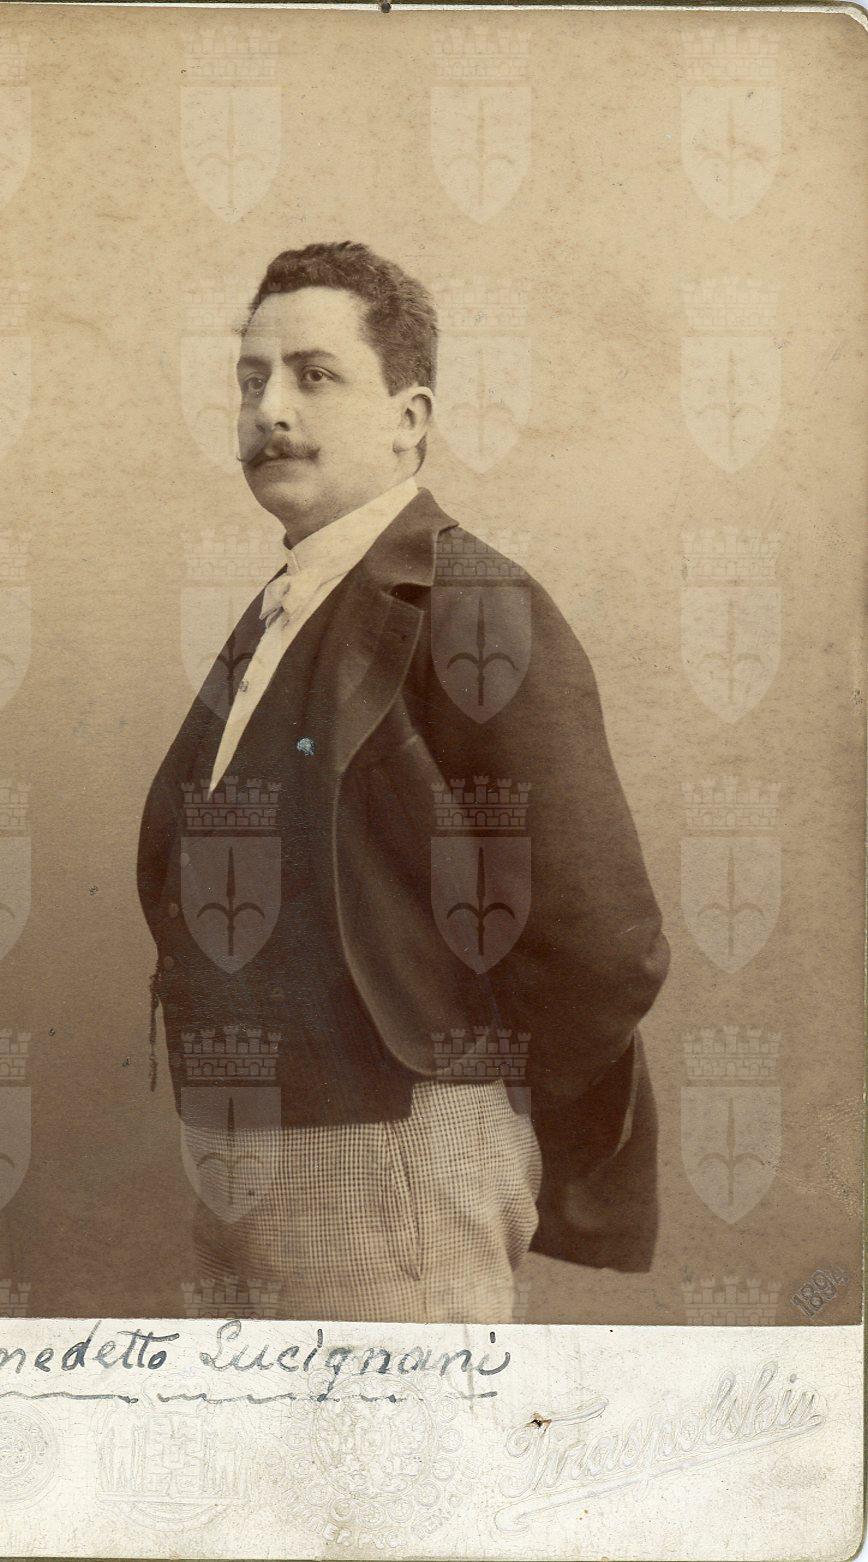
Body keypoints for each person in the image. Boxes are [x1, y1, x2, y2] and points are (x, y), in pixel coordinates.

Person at [137, 240, 670, 1323]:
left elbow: (605, 944)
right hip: (240, 1153)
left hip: (392, 1156)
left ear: (408, 418)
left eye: (314, 375)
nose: (270, 409)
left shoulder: (471, 601)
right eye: (251, 379)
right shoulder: (284, 608)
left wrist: (463, 1102)